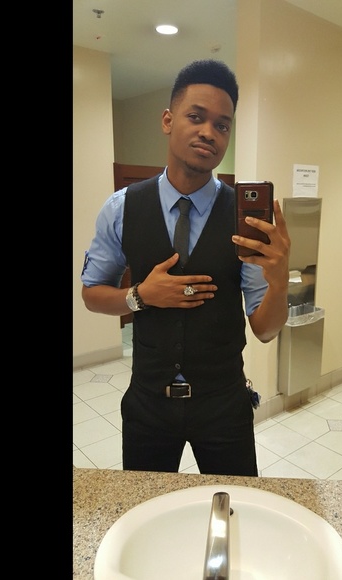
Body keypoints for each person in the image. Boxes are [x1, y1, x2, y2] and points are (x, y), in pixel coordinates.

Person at [81, 59, 290, 476]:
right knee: (146, 508)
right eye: (196, 117)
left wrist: (280, 280)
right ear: (168, 120)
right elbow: (91, 294)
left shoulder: (243, 220)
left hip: (224, 406)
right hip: (148, 406)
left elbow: (265, 330)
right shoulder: (121, 208)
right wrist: (139, 296)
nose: (209, 132)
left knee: (232, 505)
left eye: (222, 125)